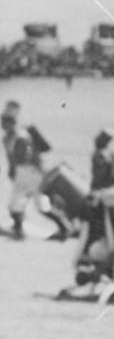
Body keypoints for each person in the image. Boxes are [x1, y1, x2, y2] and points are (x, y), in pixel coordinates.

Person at [4, 103, 60, 240]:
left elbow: (30, 156)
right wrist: (12, 171)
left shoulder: (22, 136)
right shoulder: (7, 138)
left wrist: (40, 173)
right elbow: (11, 159)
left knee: (40, 204)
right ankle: (18, 228)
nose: (2, 125)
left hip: (31, 173)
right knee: (16, 204)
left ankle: (64, 227)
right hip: (22, 174)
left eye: (5, 122)